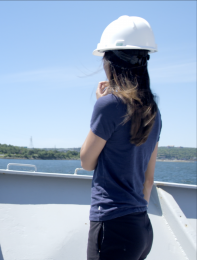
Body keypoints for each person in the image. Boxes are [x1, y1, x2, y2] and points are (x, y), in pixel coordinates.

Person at [80, 16, 162, 260]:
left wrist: (100, 104)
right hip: (141, 227)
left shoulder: (109, 105)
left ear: (110, 61)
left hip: (113, 226)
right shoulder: (153, 111)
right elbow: (148, 179)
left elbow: (86, 162)